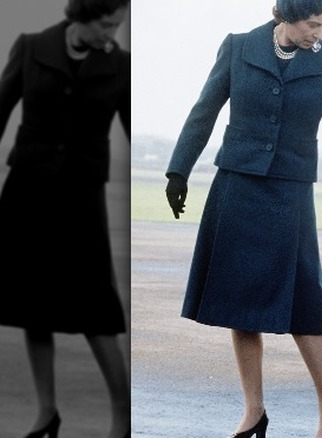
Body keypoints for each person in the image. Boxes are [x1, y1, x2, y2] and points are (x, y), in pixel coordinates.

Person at [164, 1, 322, 437]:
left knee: (303, 305)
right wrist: (179, 170)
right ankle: (254, 413)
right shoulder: (237, 48)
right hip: (236, 187)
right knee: (240, 306)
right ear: (286, 15)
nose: (320, 33)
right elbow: (205, 110)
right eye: (313, 23)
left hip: (290, 195)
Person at [0, 1, 130, 437]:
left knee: (97, 311)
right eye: (107, 23)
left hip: (82, 199)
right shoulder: (32, 47)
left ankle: (123, 420)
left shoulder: (120, 66)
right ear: (83, 15)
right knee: (33, 308)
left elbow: (133, 126)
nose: (112, 34)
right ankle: (47, 414)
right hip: (27, 193)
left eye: (119, 25)